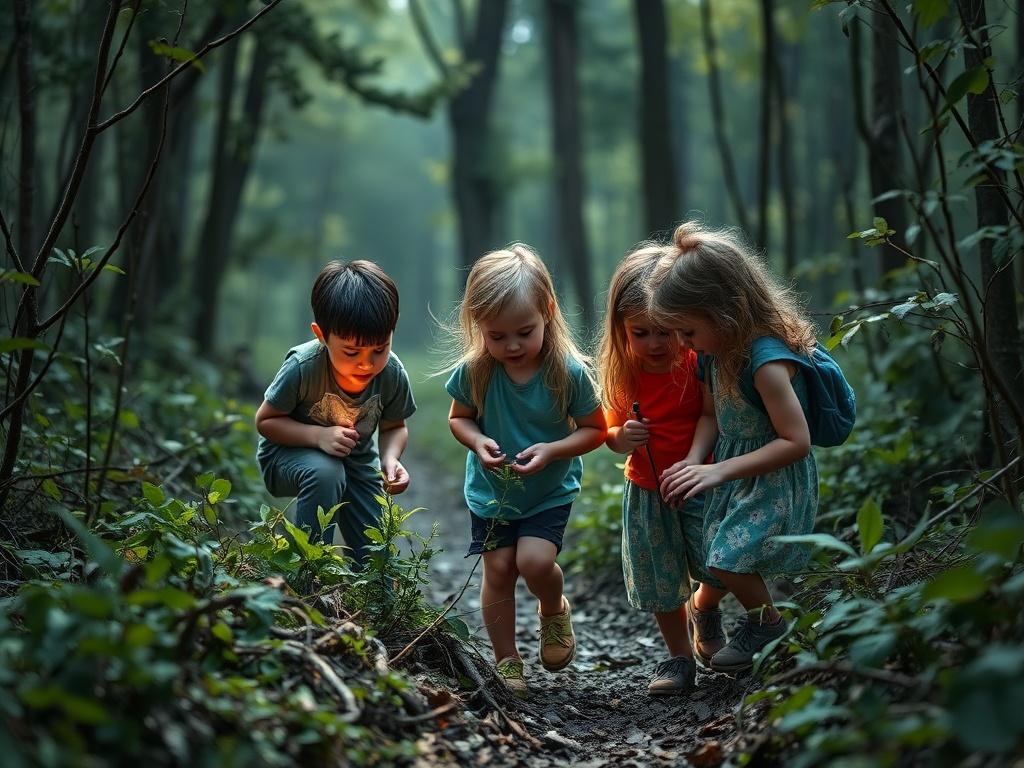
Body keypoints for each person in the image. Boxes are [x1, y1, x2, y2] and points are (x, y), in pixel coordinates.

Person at [649, 221, 818, 674]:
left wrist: (719, 472)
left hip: (772, 477)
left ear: (725, 311)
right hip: (732, 470)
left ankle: (768, 625)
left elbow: (796, 441)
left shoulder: (766, 363)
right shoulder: (714, 353)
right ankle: (705, 609)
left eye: (686, 331)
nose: (681, 344)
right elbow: (709, 415)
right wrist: (693, 461)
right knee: (717, 558)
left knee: (726, 557)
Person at [443, 244, 606, 699]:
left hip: (547, 490)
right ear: (479, 327)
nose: (511, 346)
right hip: (492, 492)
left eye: (524, 332)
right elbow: (460, 419)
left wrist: (554, 450)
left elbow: (595, 430)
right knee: (498, 567)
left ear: (548, 311)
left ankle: (553, 608)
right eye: (497, 336)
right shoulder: (476, 371)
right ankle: (506, 660)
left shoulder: (567, 372)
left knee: (534, 563)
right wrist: (477, 442)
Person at [597, 245, 729, 695]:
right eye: (641, 332)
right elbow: (610, 433)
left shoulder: (698, 362)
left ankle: (706, 606)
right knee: (661, 573)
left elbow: (710, 416)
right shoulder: (623, 373)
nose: (655, 344)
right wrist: (621, 437)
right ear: (622, 330)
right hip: (649, 489)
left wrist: (694, 461)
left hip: (701, 478)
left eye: (666, 331)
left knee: (721, 560)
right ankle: (678, 657)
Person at [255, 260, 416, 564]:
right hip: (287, 456)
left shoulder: (392, 373)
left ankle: (372, 596)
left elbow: (395, 425)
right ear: (321, 335)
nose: (366, 364)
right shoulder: (303, 368)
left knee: (374, 560)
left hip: (357, 464)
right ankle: (309, 574)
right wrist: (317, 436)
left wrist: (390, 458)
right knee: (326, 471)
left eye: (379, 349)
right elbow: (266, 421)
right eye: (352, 352)